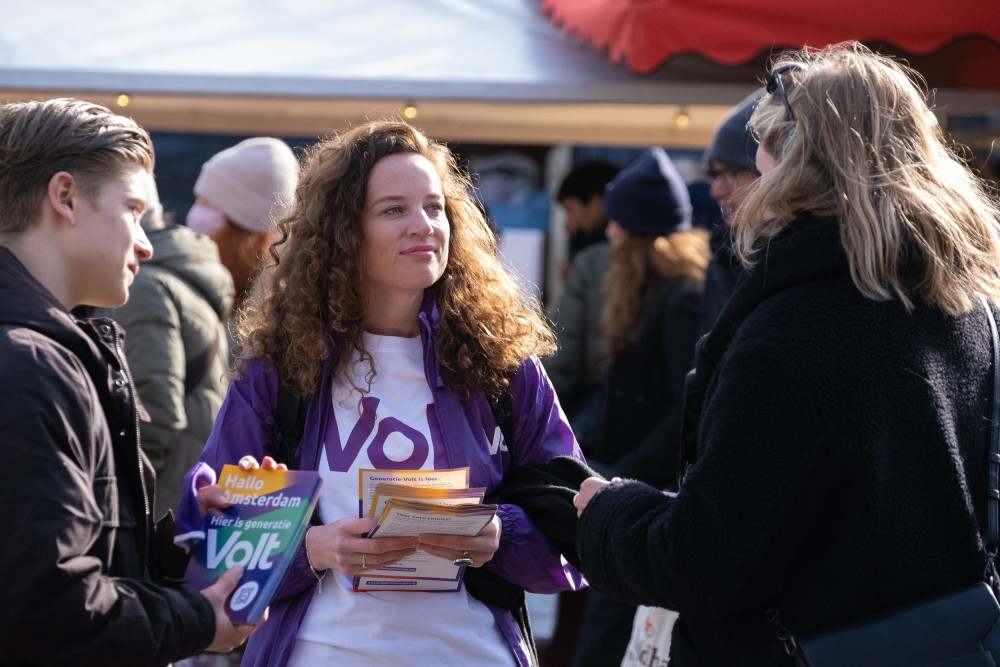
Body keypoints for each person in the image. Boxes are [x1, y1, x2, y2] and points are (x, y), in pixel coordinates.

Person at [573, 42, 1000, 665]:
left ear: (797, 168)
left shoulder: (792, 335)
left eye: (760, 155)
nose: (749, 176)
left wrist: (609, 512)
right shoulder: (967, 310)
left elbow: (706, 564)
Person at [177, 120, 587, 667]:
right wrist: (313, 551)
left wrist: (497, 535)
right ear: (344, 233)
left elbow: (573, 524)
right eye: (394, 209)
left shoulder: (504, 367)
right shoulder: (281, 372)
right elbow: (212, 545)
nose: (423, 226)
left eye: (435, 207)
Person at [0, 98, 257, 665]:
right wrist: (197, 620)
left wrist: (177, 542)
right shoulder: (27, 364)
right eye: (134, 210)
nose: (146, 243)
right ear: (65, 196)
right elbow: (52, 613)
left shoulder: (47, 351)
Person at [573, 147, 709, 667]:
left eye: (616, 224)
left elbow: (683, 407)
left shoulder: (682, 299)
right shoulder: (653, 290)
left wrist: (624, 478)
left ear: (637, 230)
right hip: (625, 482)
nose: (608, 235)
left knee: (607, 636)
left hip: (643, 492)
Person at [93, 176, 235, 515]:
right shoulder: (178, 277)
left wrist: (119, 504)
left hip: (158, 502)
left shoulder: (141, 286)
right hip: (185, 487)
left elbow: (151, 414)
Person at [186, 136, 298, 364]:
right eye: (197, 199)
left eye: (208, 204)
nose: (194, 215)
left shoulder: (281, 309)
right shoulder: (208, 280)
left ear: (245, 227)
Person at [546, 160, 620, 448]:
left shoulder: (591, 262)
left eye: (571, 210)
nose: (568, 224)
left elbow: (566, 345)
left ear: (597, 202)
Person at [698, 89, 764, 334]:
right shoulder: (721, 262)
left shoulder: (801, 266)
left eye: (733, 172)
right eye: (715, 174)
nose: (716, 191)